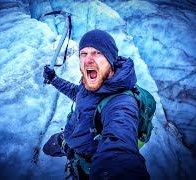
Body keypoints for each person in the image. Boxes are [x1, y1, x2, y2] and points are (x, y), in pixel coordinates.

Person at [43, 29, 150, 179]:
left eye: (97, 53)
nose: (88, 60)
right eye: (84, 54)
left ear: (111, 59)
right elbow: (77, 93)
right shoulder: (93, 83)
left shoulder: (121, 103)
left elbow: (119, 149)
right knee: (46, 149)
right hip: (71, 139)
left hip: (86, 160)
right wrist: (54, 79)